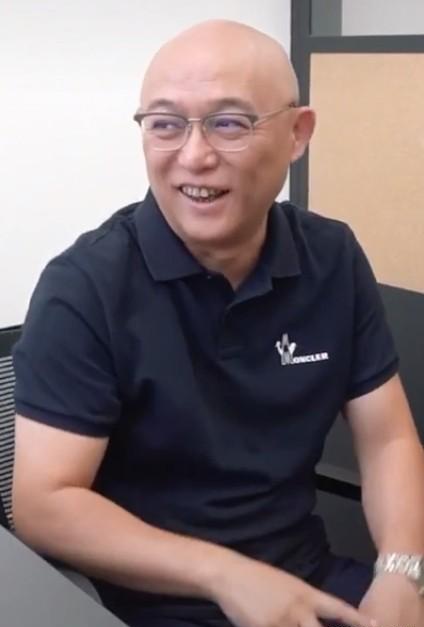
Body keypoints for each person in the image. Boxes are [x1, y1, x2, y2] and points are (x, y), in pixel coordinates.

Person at [11, 19, 424, 627]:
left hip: (310, 582)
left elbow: (387, 439)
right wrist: (225, 574)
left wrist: (401, 573)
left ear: (298, 133)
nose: (194, 156)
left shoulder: (332, 257)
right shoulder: (85, 287)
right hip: (152, 605)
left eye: (229, 123)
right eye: (165, 124)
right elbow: (44, 504)